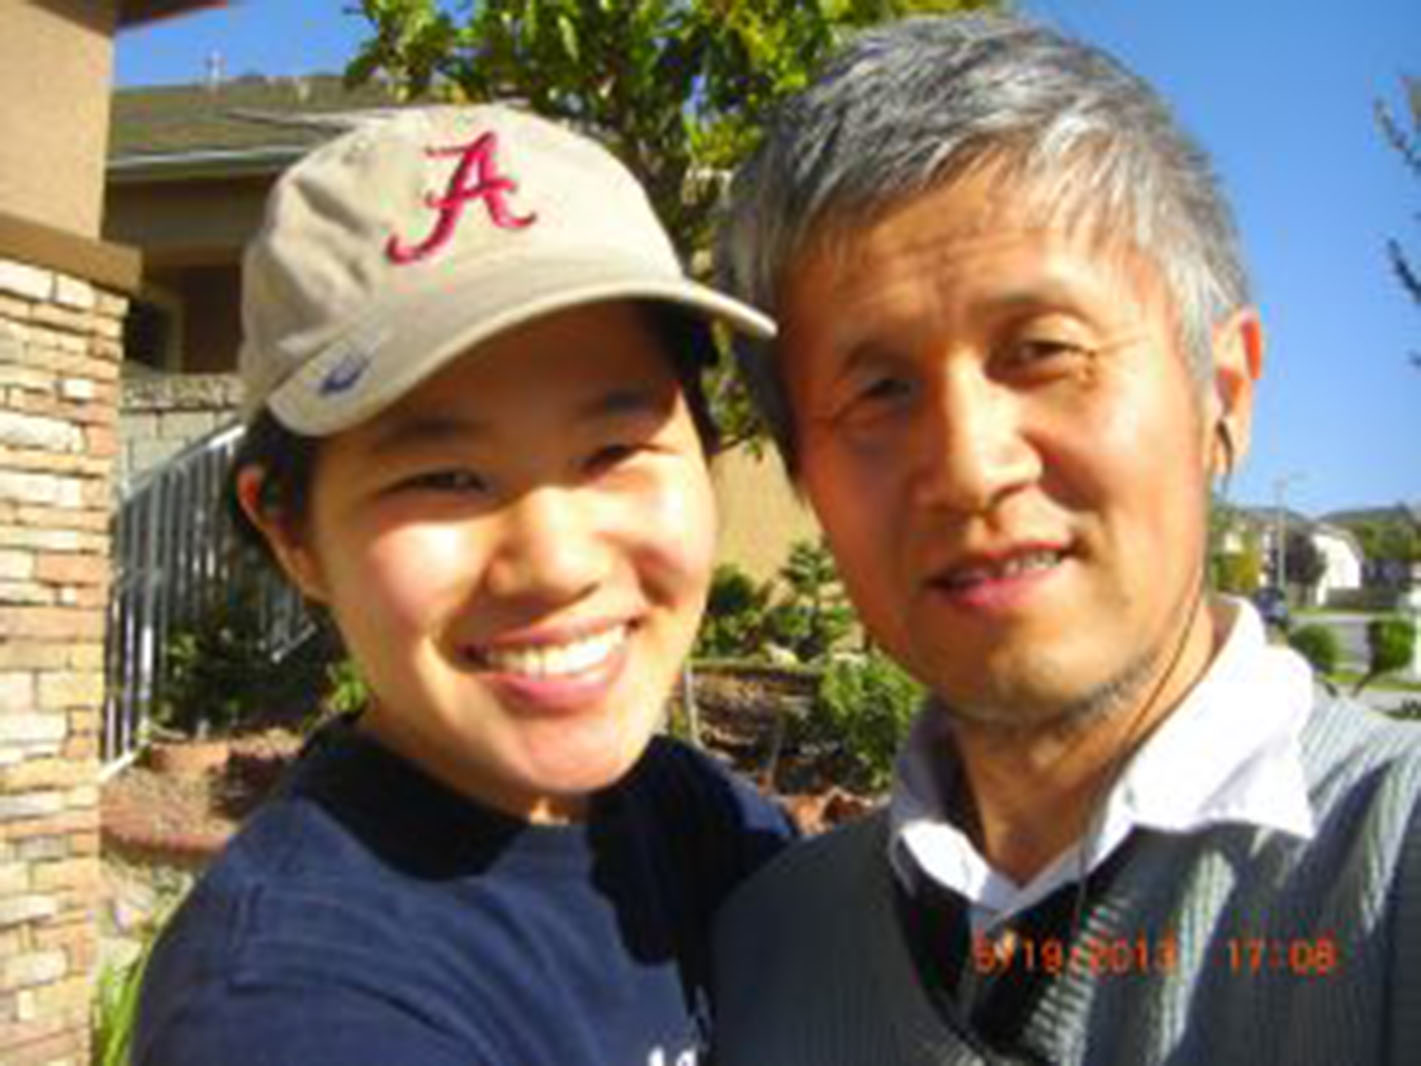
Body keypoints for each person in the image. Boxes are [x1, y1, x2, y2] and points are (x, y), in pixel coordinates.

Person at [711, 15, 1421, 1065]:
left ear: (1221, 391)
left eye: (1042, 349)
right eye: (878, 389)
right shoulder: (761, 947)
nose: (967, 463)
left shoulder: (1387, 880)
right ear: (804, 472)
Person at [133, 104, 792, 1066]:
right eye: (444, 478)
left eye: (613, 450)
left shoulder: (693, 818)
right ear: (291, 530)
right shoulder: (288, 1009)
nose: (558, 562)